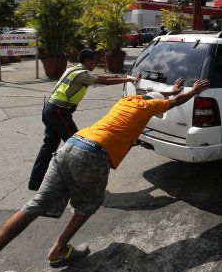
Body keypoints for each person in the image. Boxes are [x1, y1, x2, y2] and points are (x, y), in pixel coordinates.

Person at [0, 78, 210, 272]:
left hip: (71, 145)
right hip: (92, 154)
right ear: (153, 102)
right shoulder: (148, 107)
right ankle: (59, 249)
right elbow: (174, 101)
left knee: (35, 205)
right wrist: (193, 91)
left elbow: (161, 95)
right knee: (87, 206)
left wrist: (170, 89)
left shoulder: (126, 101)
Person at [28, 49, 140, 191]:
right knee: (79, 147)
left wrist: (119, 76)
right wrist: (129, 79)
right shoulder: (81, 74)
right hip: (59, 112)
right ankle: (79, 184)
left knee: (48, 147)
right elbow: (104, 82)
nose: (96, 63)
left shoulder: (74, 69)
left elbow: (100, 77)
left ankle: (35, 183)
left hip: (50, 109)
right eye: (95, 61)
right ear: (88, 61)